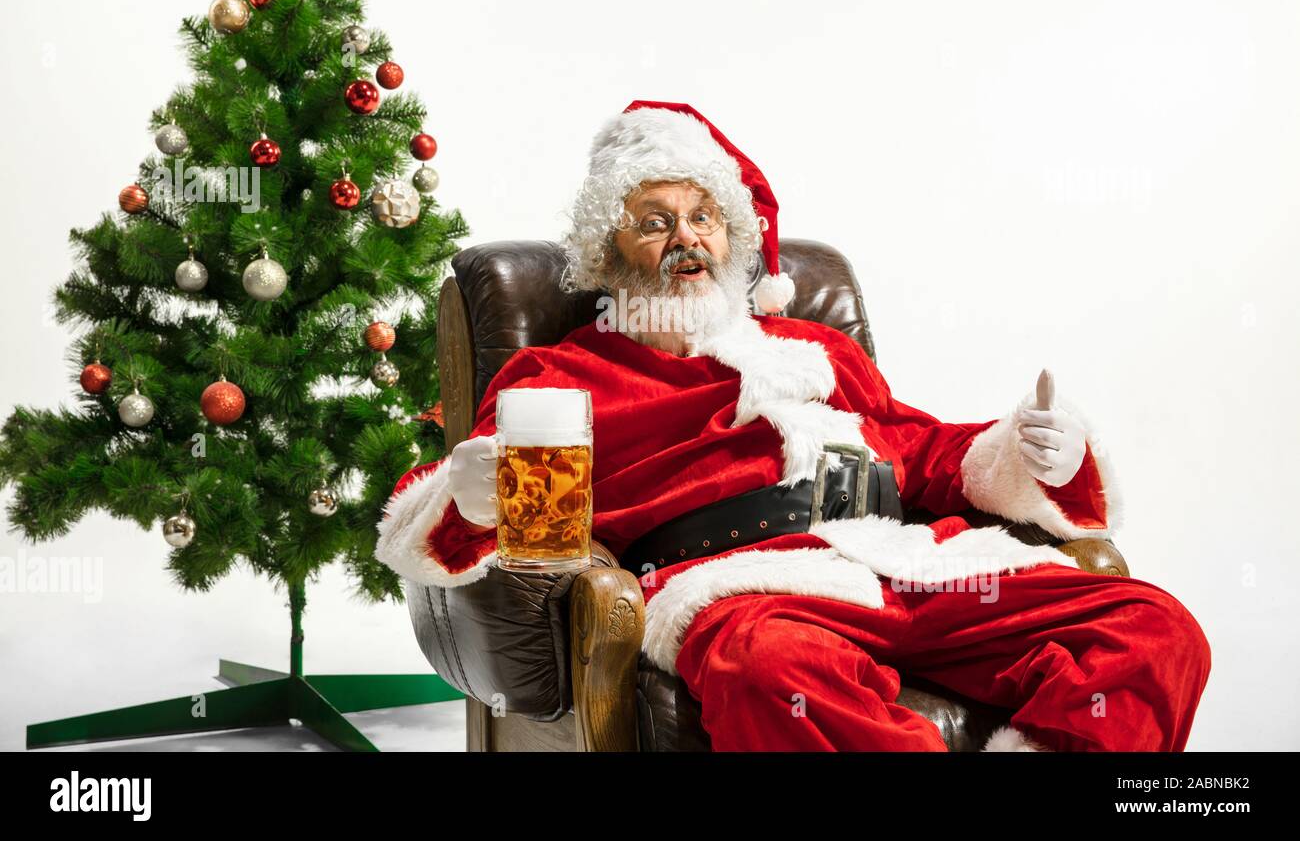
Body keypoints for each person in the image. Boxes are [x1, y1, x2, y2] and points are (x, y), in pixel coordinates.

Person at [376, 100, 1211, 751]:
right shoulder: (558, 380)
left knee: (1154, 630)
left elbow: (918, 449)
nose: (685, 240)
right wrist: (473, 495)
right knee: (772, 675)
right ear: (606, 248)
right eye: (655, 219)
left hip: (906, 564)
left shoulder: (811, 348)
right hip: (744, 595)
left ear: (731, 237)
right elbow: (455, 518)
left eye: (703, 217)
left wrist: (1031, 454)